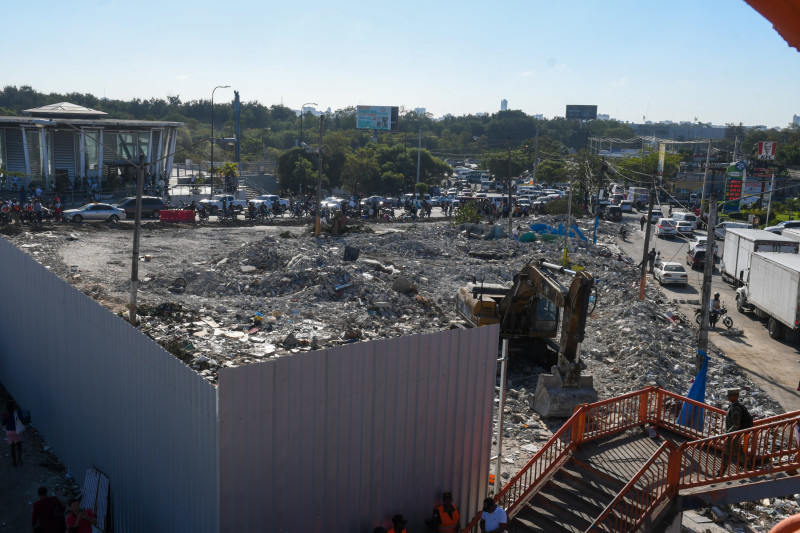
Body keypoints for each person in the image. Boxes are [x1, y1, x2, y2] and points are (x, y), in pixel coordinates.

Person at [718, 388, 752, 476]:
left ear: (735, 396)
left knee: (726, 454)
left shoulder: (735, 409)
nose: (728, 397)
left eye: (729, 396)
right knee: (739, 453)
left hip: (733, 435)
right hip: (734, 435)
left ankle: (720, 473)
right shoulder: (735, 406)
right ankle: (750, 469)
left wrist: (727, 434)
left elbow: (736, 425)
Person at [1, 400, 23, 465]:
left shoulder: (5, 413)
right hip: (17, 431)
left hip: (9, 432)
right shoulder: (17, 412)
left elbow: (3, 423)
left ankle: (14, 461)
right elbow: (22, 419)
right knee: (19, 445)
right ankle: (20, 459)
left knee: (12, 447)